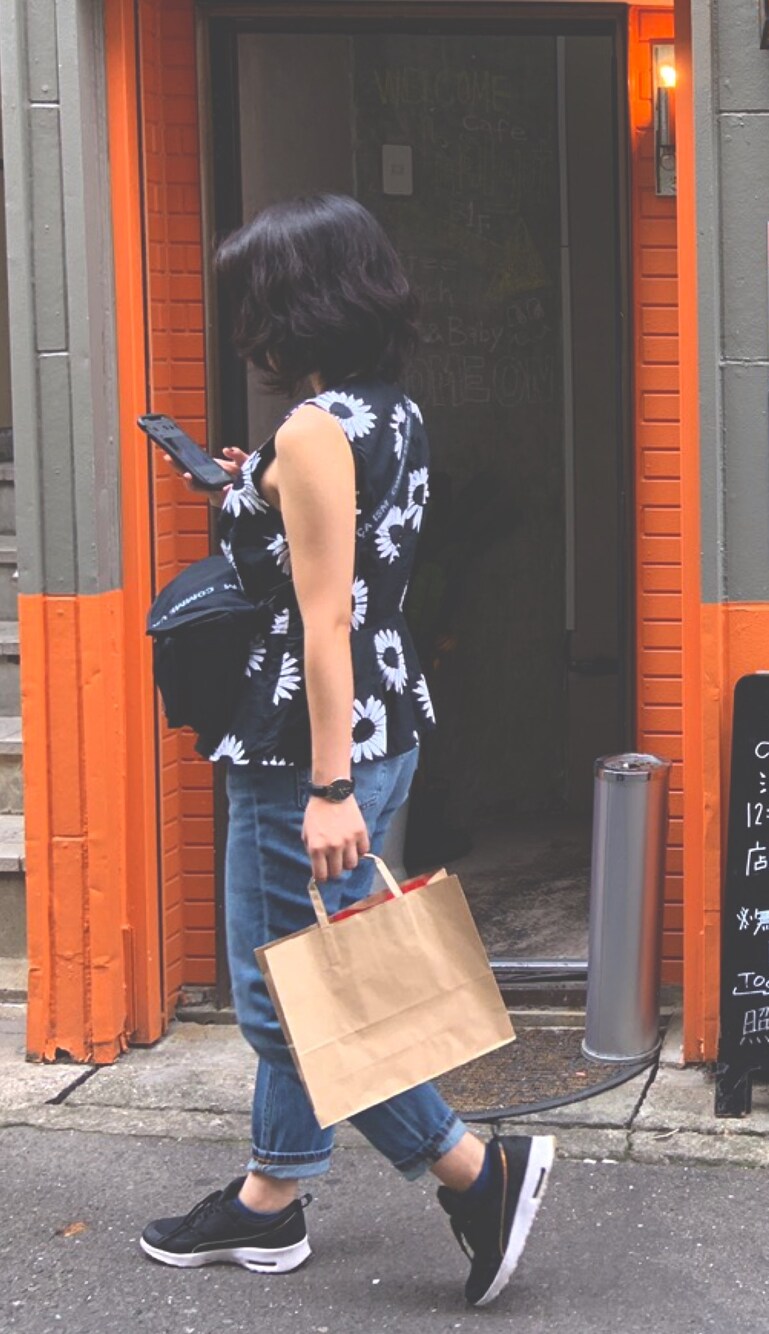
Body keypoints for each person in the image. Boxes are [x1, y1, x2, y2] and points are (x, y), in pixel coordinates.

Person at [138, 195, 554, 1307]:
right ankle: (269, 1197)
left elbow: (324, 617)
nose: (248, 322)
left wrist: (328, 788)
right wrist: (250, 484)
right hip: (377, 714)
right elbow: (350, 554)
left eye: (256, 297)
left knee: (287, 998)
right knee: (317, 970)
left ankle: (476, 1171)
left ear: (298, 303)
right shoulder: (385, 414)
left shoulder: (317, 430)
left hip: (308, 743)